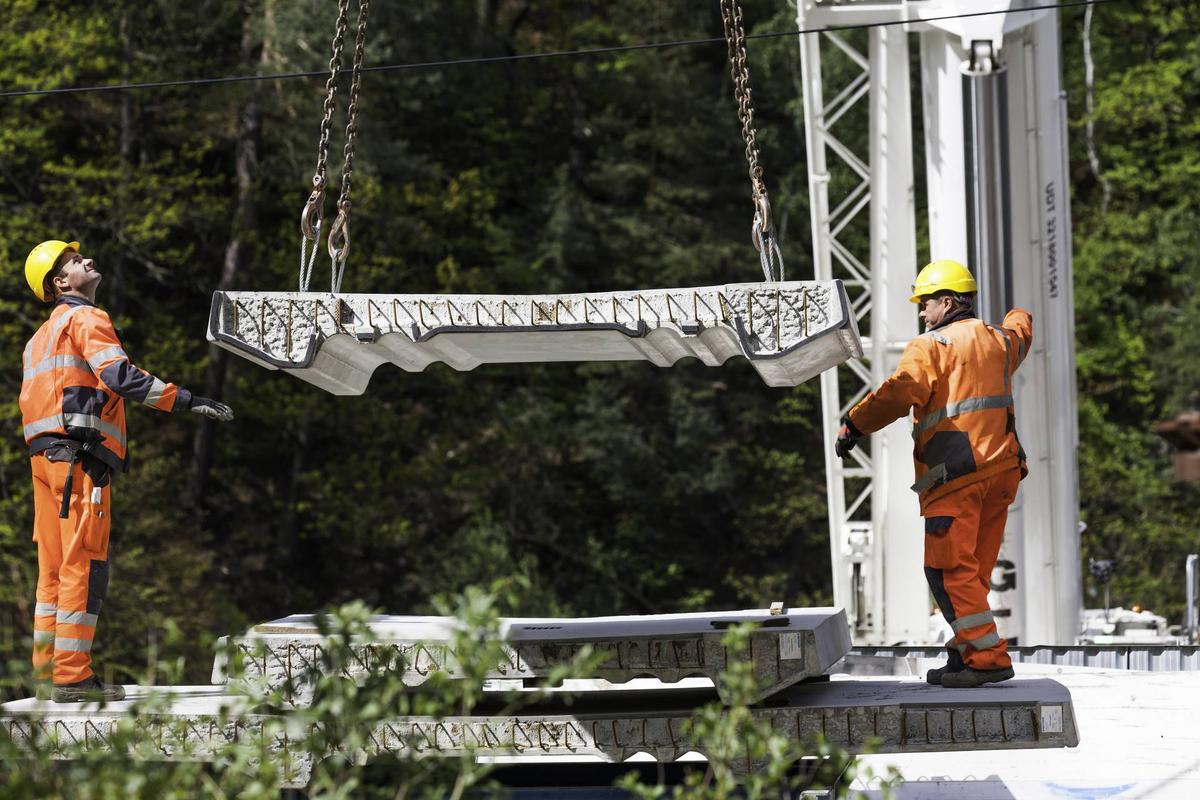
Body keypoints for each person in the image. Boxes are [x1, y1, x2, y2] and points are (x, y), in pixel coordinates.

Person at [20, 240, 234, 703]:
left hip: (45, 462)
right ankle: (72, 677)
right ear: (60, 282)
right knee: (83, 564)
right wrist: (186, 399)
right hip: (78, 461)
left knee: (52, 571)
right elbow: (119, 376)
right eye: (76, 261)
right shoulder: (86, 318)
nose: (88, 261)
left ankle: (46, 672)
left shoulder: (39, 338)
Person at [833, 260, 1031, 688]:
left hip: (956, 475)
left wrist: (855, 423)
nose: (922, 313)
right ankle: (964, 652)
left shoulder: (931, 346)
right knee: (973, 572)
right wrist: (1019, 313)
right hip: (1002, 471)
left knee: (947, 571)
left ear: (947, 301)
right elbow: (1021, 332)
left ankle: (987, 658)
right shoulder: (999, 340)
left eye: (925, 303)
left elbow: (901, 390)